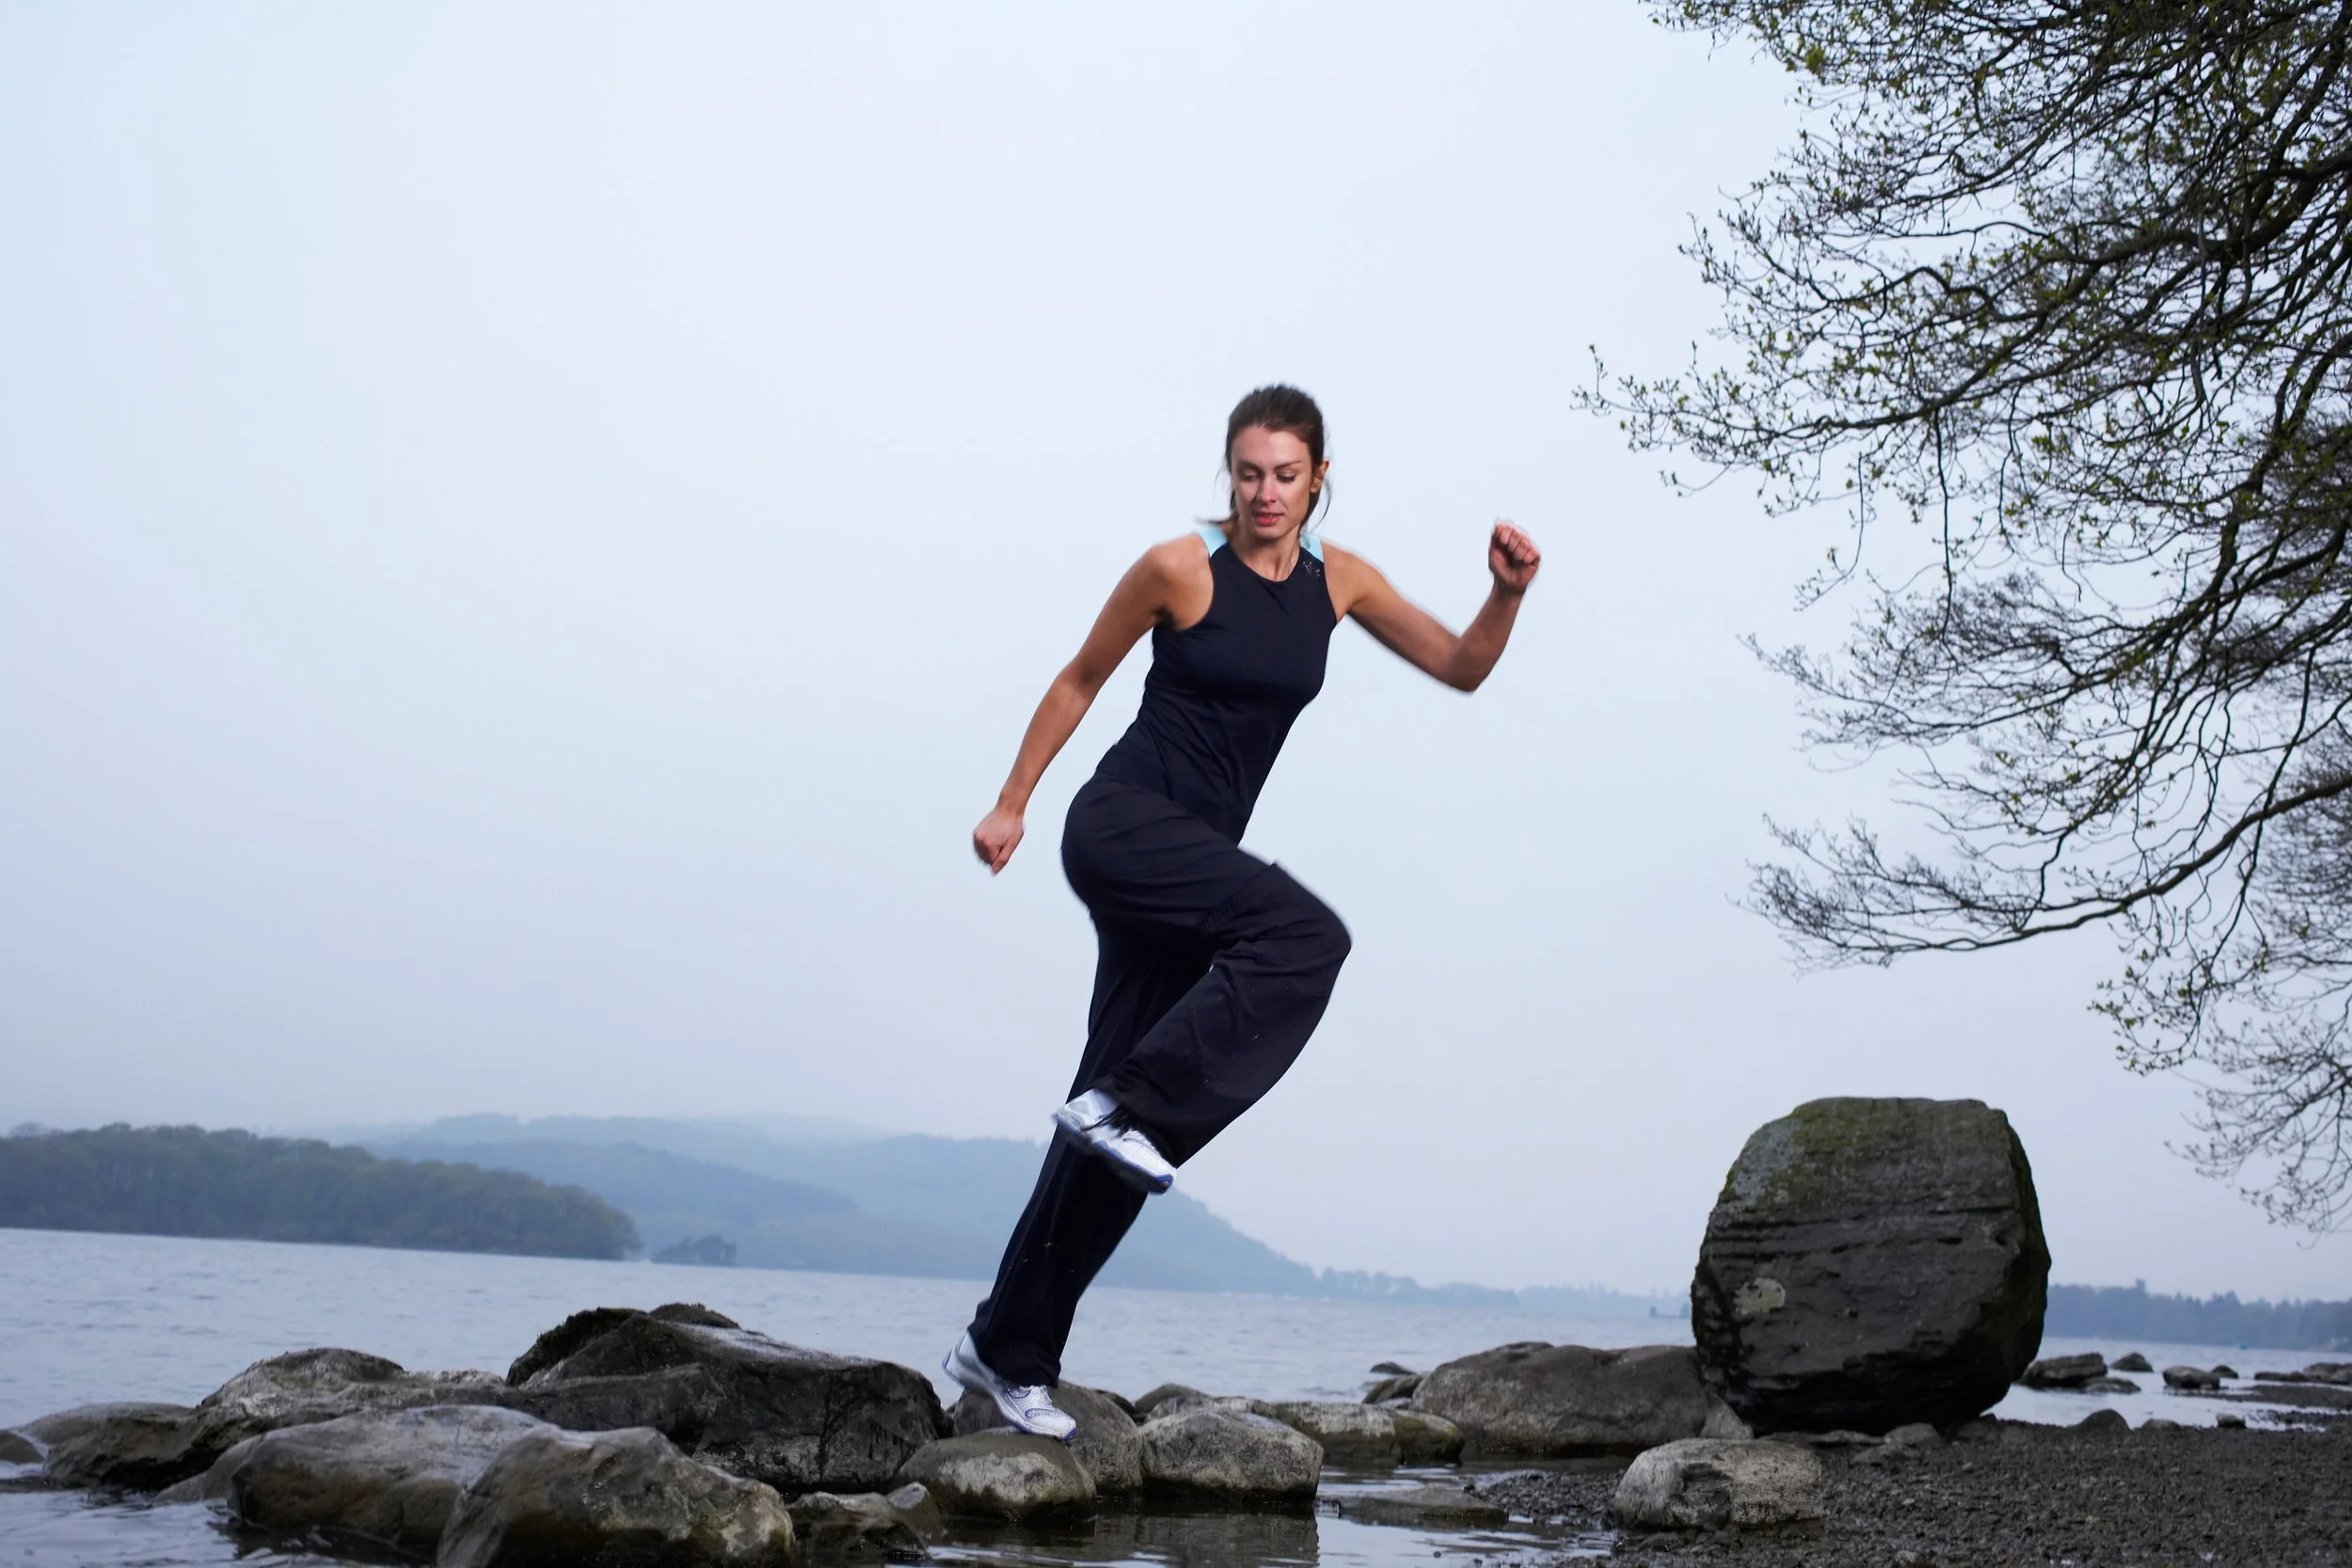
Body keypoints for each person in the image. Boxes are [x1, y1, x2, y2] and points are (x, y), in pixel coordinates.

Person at [943, 385, 1541, 1436]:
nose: (1264, 492)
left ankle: (1005, 1347)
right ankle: (1137, 1100)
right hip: (1124, 826)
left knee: (1105, 1142)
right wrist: (1011, 800)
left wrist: (1506, 593)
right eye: (1247, 472)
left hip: (1193, 874)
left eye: (1284, 473)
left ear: (1317, 478)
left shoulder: (1339, 581)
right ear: (1229, 474)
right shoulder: (1180, 565)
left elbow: (1461, 665)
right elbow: (1082, 676)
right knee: (1306, 935)